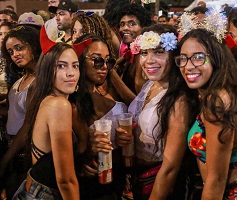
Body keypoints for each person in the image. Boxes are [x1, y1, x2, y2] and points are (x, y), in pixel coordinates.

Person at [92, 24, 199, 200]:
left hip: (162, 186)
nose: (148, 60)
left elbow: (171, 168)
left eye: (158, 52)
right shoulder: (150, 84)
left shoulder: (179, 100)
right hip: (139, 179)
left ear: (174, 55)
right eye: (144, 53)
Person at [12, 26, 82, 200]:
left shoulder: (48, 100)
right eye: (61, 66)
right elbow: (65, 180)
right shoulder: (58, 105)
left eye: (75, 65)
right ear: (47, 70)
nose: (71, 73)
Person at [176, 11, 237, 199]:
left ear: (216, 58)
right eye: (183, 58)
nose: (188, 66)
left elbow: (217, 179)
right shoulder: (208, 95)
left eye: (198, 57)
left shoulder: (217, 102)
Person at [71, 34, 131, 200]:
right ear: (80, 60)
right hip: (96, 182)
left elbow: (136, 106)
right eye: (97, 60)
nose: (104, 66)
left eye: (108, 61)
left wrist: (121, 138)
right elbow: (77, 153)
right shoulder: (74, 103)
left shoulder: (109, 88)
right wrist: (87, 155)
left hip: (119, 176)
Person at [0, 25, 41, 199]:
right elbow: (14, 114)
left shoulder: (38, 81)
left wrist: (4, 162)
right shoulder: (21, 79)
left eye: (19, 48)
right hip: (13, 151)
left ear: (33, 45)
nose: (15, 54)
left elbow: (28, 125)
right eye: (10, 51)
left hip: (23, 155)